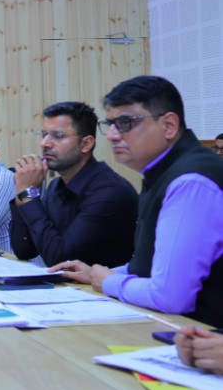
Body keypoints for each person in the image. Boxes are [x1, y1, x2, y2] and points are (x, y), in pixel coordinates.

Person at [51, 76, 223, 326]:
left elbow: (170, 297)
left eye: (125, 123)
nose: (112, 136)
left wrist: (108, 281)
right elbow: (155, 265)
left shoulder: (190, 181)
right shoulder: (163, 172)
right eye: (110, 124)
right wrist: (96, 274)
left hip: (203, 335)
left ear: (169, 126)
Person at [9, 101, 138, 267]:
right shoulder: (56, 186)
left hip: (104, 284)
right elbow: (24, 250)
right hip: (65, 283)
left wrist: (28, 195)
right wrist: (23, 193)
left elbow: (61, 259)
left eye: (57, 136)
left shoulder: (109, 192)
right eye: (44, 135)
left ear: (86, 144)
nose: (45, 143)